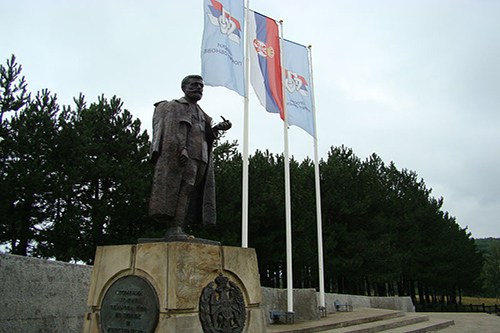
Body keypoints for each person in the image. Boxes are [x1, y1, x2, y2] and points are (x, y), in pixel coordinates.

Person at [148, 75, 232, 240]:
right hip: (187, 155)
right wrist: (182, 149)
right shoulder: (176, 106)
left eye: (201, 86)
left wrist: (218, 128)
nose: (199, 88)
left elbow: (205, 134)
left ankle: (180, 227)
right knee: (184, 188)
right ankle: (175, 227)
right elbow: (174, 130)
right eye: (194, 85)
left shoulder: (201, 112)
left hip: (202, 157)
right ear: (184, 88)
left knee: (191, 192)